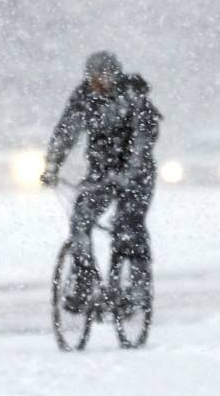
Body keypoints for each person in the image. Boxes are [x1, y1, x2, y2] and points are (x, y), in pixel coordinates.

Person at [40, 51, 160, 311]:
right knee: (80, 221)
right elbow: (66, 131)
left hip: (137, 175)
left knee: (127, 226)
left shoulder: (133, 95)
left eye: (104, 76)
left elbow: (143, 137)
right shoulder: (84, 97)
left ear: (115, 75)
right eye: (94, 77)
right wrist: (52, 165)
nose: (99, 82)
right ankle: (84, 280)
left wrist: (130, 170)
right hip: (101, 171)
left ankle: (136, 284)